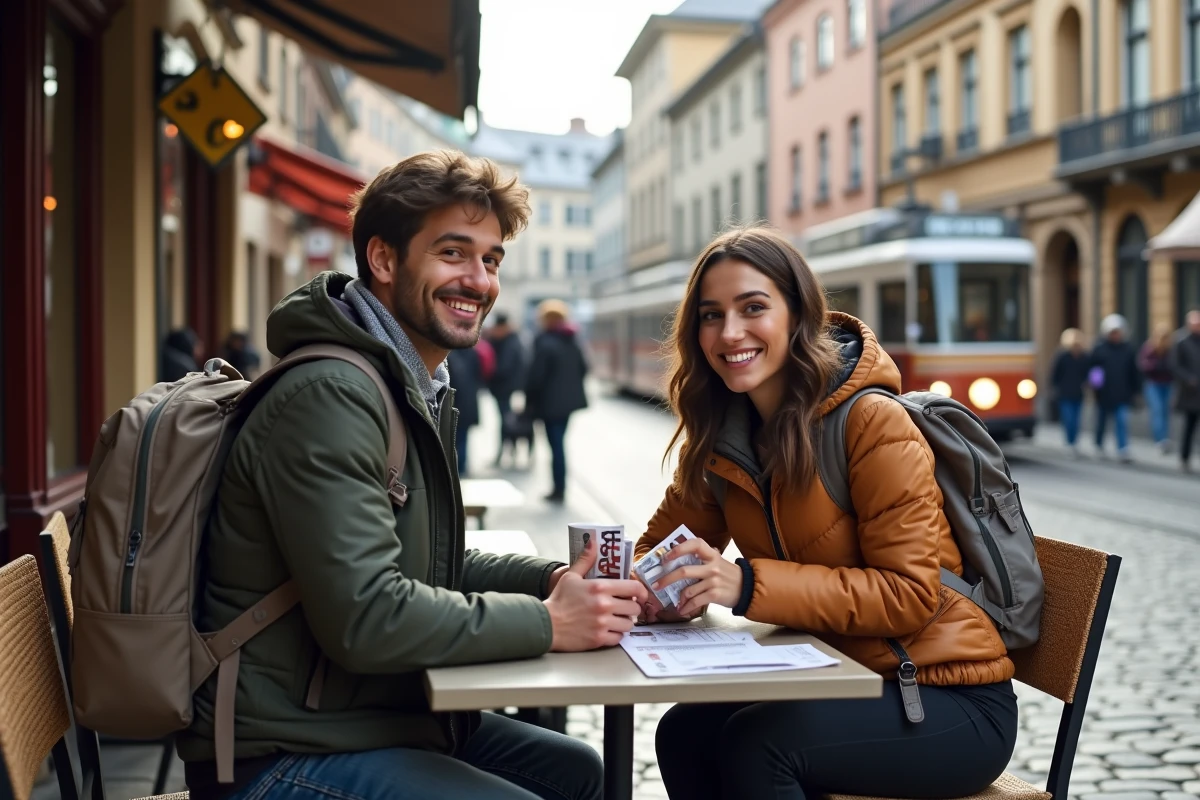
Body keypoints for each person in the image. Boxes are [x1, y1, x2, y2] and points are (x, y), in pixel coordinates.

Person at [178, 150, 648, 800]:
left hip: (361, 717)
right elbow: (367, 619)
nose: (479, 281)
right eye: (454, 253)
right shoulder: (331, 394)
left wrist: (558, 583)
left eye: (490, 260)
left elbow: (428, 565)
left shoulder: (408, 384)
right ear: (384, 259)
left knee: (578, 773)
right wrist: (550, 622)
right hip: (275, 752)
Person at [634, 226, 1018, 800]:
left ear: (798, 315)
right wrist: (652, 590)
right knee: (684, 732)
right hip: (837, 678)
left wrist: (742, 583)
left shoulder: (871, 423)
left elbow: (909, 597)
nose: (730, 332)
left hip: (943, 695)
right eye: (711, 315)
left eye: (753, 308)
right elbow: (658, 551)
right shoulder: (724, 437)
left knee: (758, 745)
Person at [525, 299, 588, 503]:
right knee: (559, 443)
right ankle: (560, 486)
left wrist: (529, 401)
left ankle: (558, 489)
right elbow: (584, 368)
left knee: (556, 446)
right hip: (568, 404)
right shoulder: (572, 340)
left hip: (549, 404)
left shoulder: (544, 342)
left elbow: (535, 377)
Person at [1090, 314, 1142, 463]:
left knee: (1121, 421)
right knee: (1102, 422)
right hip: (1104, 394)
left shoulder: (1127, 349)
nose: (1116, 335)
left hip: (1122, 392)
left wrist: (1136, 390)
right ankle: (1099, 445)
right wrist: (1096, 389)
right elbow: (1095, 371)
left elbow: (1133, 371)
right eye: (1113, 332)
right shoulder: (1100, 349)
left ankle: (1123, 448)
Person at [446, 338, 494, 476]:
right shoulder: (473, 353)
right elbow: (480, 375)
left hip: (456, 401)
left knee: (455, 437)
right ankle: (461, 466)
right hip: (469, 400)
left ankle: (456, 468)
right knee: (463, 437)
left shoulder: (450, 356)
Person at [486, 311, 527, 465]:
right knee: (506, 421)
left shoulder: (510, 343)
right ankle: (508, 452)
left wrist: (489, 373)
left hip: (506, 389)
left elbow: (504, 367)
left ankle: (505, 453)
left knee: (506, 422)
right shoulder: (509, 340)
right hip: (504, 389)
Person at [1050, 327, 1090, 455]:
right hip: (1065, 393)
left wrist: (1092, 384)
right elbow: (1055, 374)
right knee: (1069, 419)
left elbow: (1089, 372)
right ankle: (1069, 442)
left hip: (1078, 393)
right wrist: (1054, 388)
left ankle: (1074, 442)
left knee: (1076, 420)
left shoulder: (1084, 357)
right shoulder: (1062, 356)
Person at [1169, 309, 1200, 473]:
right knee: (1189, 427)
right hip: (1190, 393)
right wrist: (1188, 378)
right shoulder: (1181, 341)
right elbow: (1174, 365)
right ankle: (1184, 458)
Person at [1138, 323, 1176, 453]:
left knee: (1165, 412)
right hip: (1153, 384)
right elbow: (1144, 366)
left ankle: (1164, 438)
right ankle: (1160, 439)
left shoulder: (1170, 350)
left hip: (1167, 383)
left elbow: (1175, 366)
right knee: (1158, 410)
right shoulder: (1149, 349)